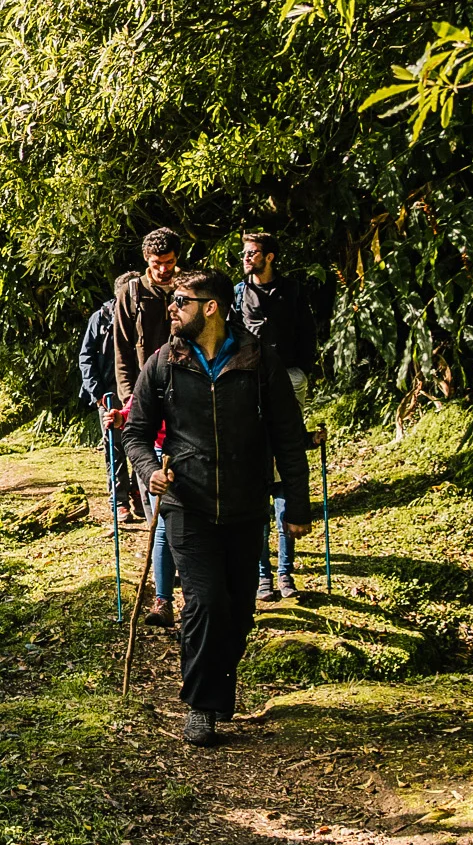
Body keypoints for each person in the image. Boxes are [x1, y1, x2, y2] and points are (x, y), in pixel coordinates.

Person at [122, 268, 313, 746]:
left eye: (181, 301)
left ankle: (217, 689)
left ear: (211, 307)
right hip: (188, 504)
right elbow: (136, 434)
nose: (172, 308)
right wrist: (150, 472)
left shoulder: (257, 359)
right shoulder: (163, 363)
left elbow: (289, 437)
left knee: (239, 611)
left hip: (247, 504)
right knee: (205, 602)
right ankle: (202, 706)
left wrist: (298, 504)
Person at [235, 232, 321, 602]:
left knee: (285, 468)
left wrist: (302, 372)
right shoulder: (238, 294)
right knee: (258, 481)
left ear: (269, 257)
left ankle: (285, 573)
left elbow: (308, 334)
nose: (246, 258)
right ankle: (261, 576)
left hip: (288, 379)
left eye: (252, 253)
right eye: (244, 253)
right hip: (250, 385)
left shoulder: (293, 290)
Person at [112, 229, 185, 622]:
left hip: (183, 397)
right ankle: (163, 594)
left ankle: (179, 586)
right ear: (146, 261)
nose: (163, 271)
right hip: (144, 398)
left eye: (169, 263)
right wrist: (129, 398)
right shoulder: (130, 294)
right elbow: (122, 351)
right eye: (157, 265)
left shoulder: (187, 291)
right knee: (157, 499)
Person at [77, 294, 143, 523]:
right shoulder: (101, 318)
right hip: (109, 392)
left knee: (142, 443)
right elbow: (86, 357)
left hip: (139, 389)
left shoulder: (145, 313)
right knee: (114, 448)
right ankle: (119, 501)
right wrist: (97, 395)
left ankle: (139, 493)